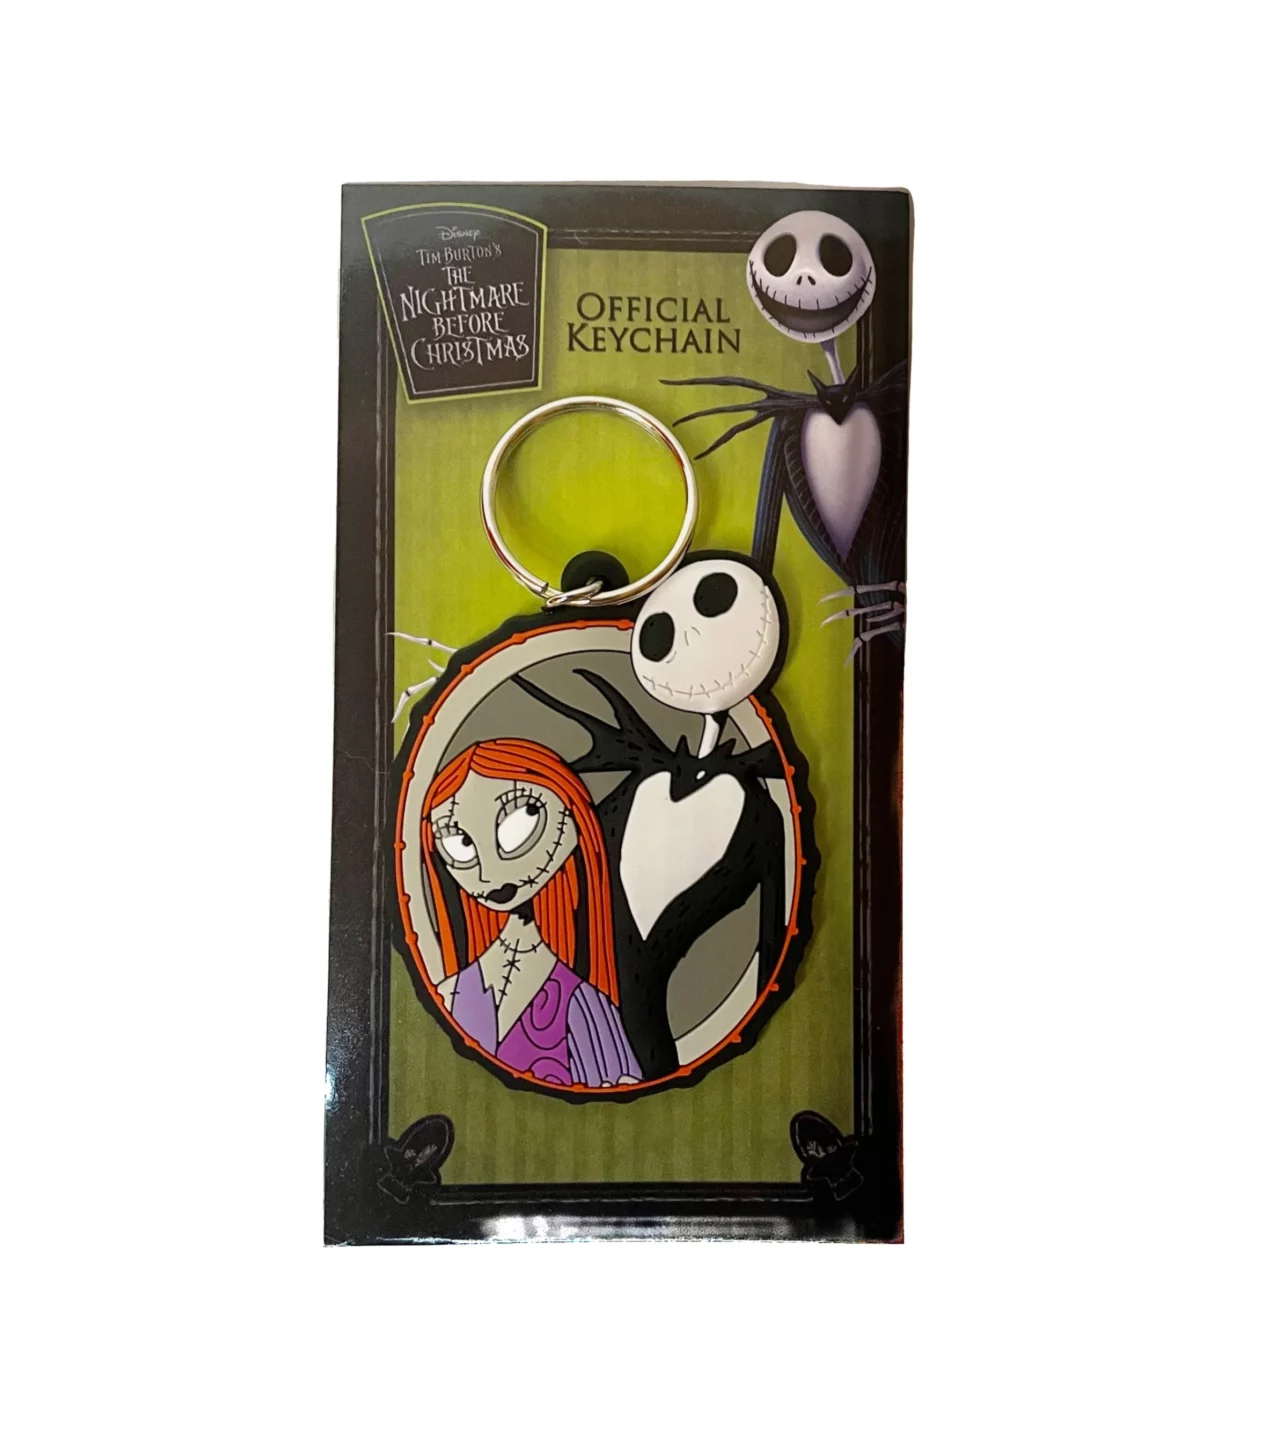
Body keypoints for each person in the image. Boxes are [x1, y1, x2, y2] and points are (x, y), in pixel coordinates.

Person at [421, 737, 641, 1089]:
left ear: (573, 818)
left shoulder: (585, 1006)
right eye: (460, 845)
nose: (488, 872)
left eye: (518, 824)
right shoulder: (450, 994)